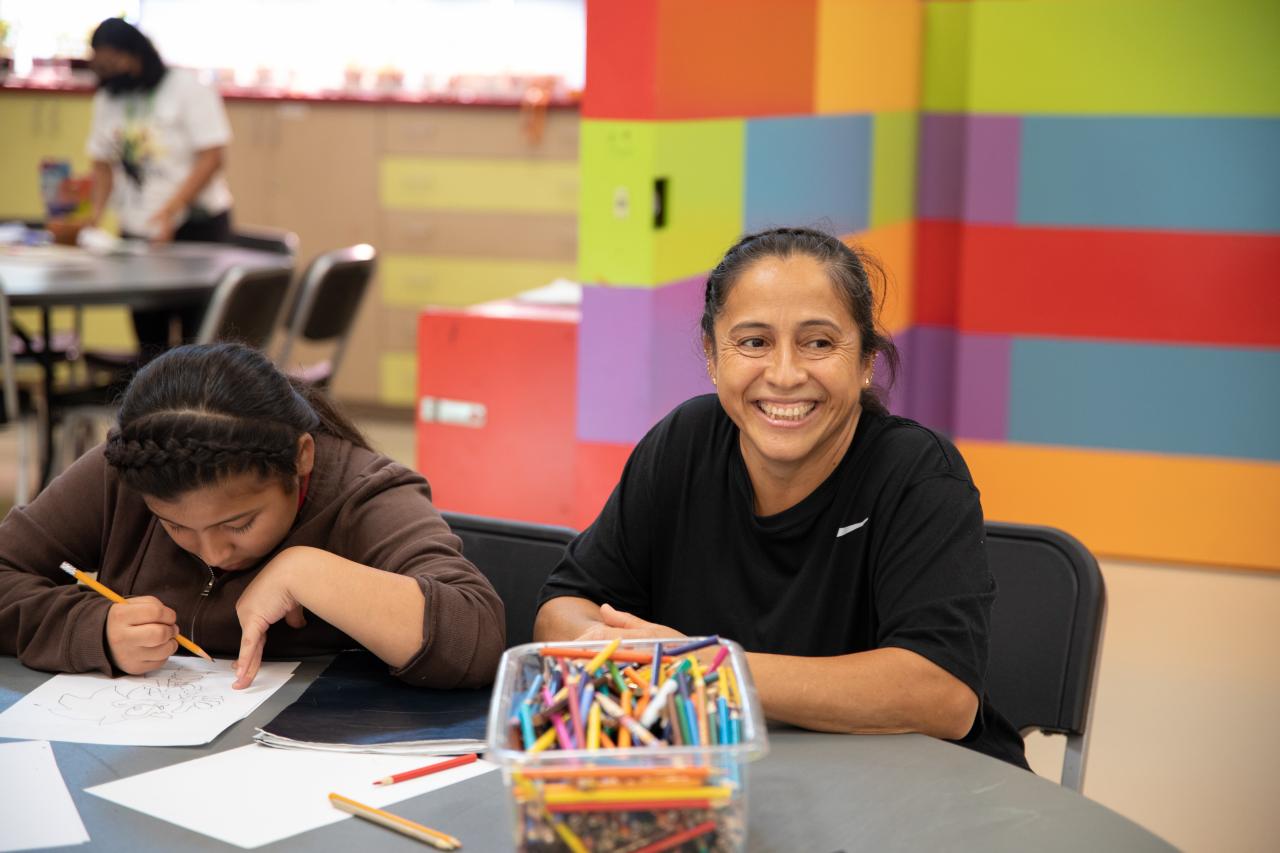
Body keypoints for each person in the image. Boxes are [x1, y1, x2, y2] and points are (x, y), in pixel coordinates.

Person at [534, 227, 1028, 768]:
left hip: (920, 797)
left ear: (865, 360)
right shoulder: (684, 442)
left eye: (819, 343)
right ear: (712, 354)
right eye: (753, 342)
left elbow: (943, 696)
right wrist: (619, 649)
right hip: (739, 785)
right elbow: (562, 610)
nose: (786, 374)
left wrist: (701, 668)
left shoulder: (916, 473)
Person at [0, 343, 505, 690]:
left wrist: (305, 571)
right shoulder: (130, 471)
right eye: (175, 527)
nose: (214, 554)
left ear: (301, 458)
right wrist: (94, 629)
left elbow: (477, 637)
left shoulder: (364, 495)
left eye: (238, 524)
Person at [85, 17, 236, 352]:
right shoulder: (109, 98)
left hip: (194, 227)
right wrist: (93, 217)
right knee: (150, 346)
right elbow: (102, 166)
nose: (111, 72)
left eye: (115, 61)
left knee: (196, 345)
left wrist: (171, 211)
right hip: (139, 236)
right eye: (103, 66)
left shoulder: (186, 88)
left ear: (136, 54)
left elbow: (212, 156)